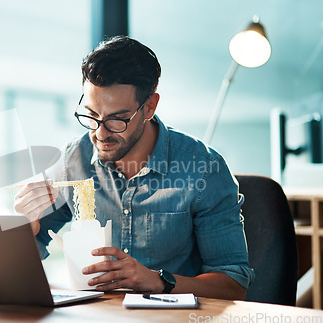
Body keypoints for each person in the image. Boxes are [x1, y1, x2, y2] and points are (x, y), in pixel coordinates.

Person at [14, 36, 254, 300]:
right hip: (96, 318)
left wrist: (158, 281)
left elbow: (233, 284)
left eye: (117, 119)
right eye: (92, 115)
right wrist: (25, 229)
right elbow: (17, 263)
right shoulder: (73, 161)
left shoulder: (204, 170)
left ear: (149, 106)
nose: (100, 134)